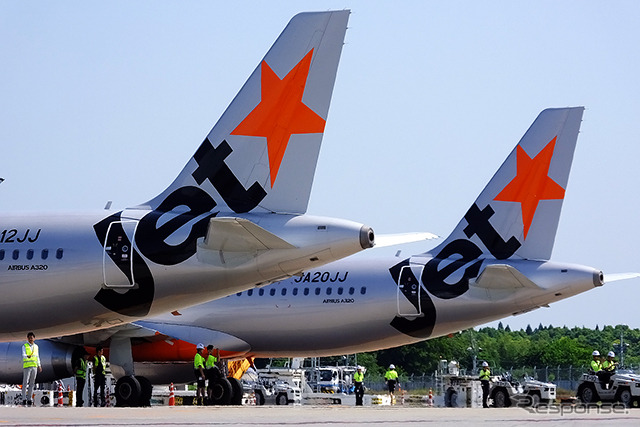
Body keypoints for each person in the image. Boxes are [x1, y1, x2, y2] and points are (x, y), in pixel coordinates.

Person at [21, 332, 42, 406]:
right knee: (25, 382)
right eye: (29, 338)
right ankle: (24, 398)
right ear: (27, 338)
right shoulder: (25, 346)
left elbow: (37, 356)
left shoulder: (36, 347)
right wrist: (27, 356)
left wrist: (39, 365)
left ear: (34, 338)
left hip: (34, 366)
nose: (31, 339)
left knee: (32, 383)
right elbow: (23, 355)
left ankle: (29, 398)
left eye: (32, 337)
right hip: (27, 366)